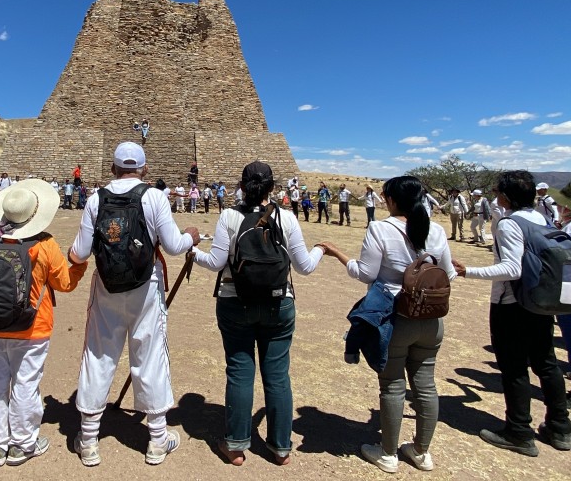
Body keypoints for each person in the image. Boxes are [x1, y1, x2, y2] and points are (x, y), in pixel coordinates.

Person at [69, 142, 200, 467]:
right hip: (146, 287)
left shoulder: (97, 198)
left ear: (112, 169)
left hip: (107, 288)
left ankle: (87, 440)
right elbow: (172, 245)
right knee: (150, 355)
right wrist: (192, 237)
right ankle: (157, 440)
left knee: (98, 356)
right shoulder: (154, 196)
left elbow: (81, 252)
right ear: (143, 169)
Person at [318, 176, 455, 473]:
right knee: (426, 386)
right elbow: (448, 274)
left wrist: (338, 255)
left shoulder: (381, 228)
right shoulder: (437, 230)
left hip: (395, 317)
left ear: (392, 201)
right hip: (431, 320)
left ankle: (388, 454)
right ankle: (421, 451)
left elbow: (366, 274)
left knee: (392, 386)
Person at [193, 161, 325, 466]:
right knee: (277, 375)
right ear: (272, 187)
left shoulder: (229, 216)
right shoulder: (287, 218)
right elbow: (304, 266)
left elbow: (214, 262)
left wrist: (192, 253)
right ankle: (280, 448)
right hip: (279, 304)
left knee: (240, 371)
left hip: (234, 301)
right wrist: (321, 249)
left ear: (241, 185)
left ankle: (236, 446)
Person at [0, 180, 88, 467]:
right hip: (32, 327)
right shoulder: (44, 245)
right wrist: (79, 266)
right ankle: (23, 443)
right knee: (25, 385)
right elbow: (64, 284)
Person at [452, 170, 571, 456]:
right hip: (540, 300)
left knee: (514, 366)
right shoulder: (540, 218)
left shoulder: (509, 224)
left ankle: (518, 432)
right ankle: (560, 427)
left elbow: (511, 268)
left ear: (504, 196)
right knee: (546, 362)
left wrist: (468, 271)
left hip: (512, 304)